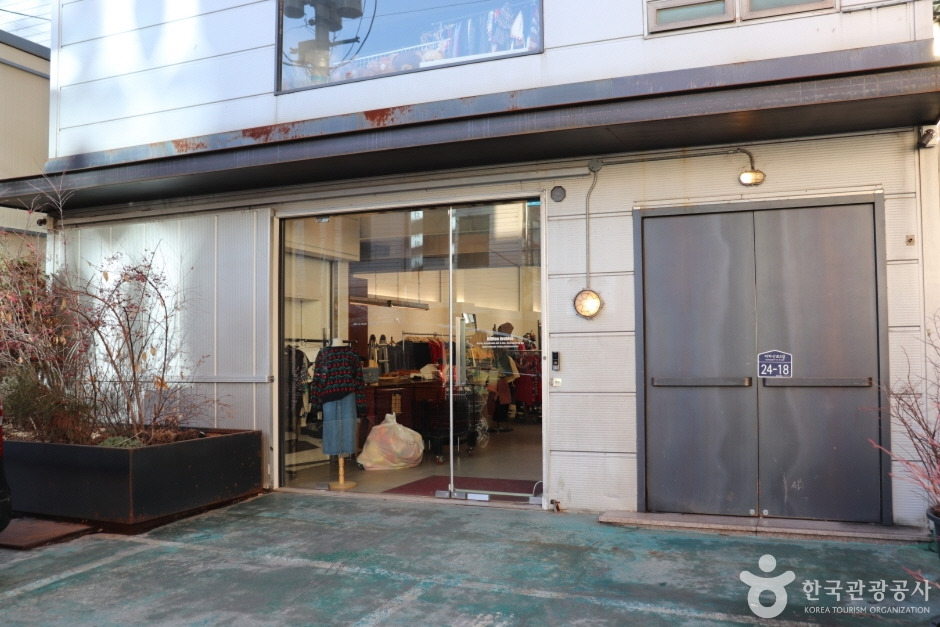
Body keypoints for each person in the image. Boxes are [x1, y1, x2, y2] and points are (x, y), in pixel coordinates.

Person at [310, 338, 366, 458]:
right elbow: (318, 379)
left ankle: (344, 458)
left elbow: (359, 379)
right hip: (333, 398)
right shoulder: (324, 353)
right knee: (334, 430)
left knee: (347, 430)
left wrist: (361, 406)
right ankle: (336, 459)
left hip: (345, 397)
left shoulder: (351, 353)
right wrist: (314, 408)